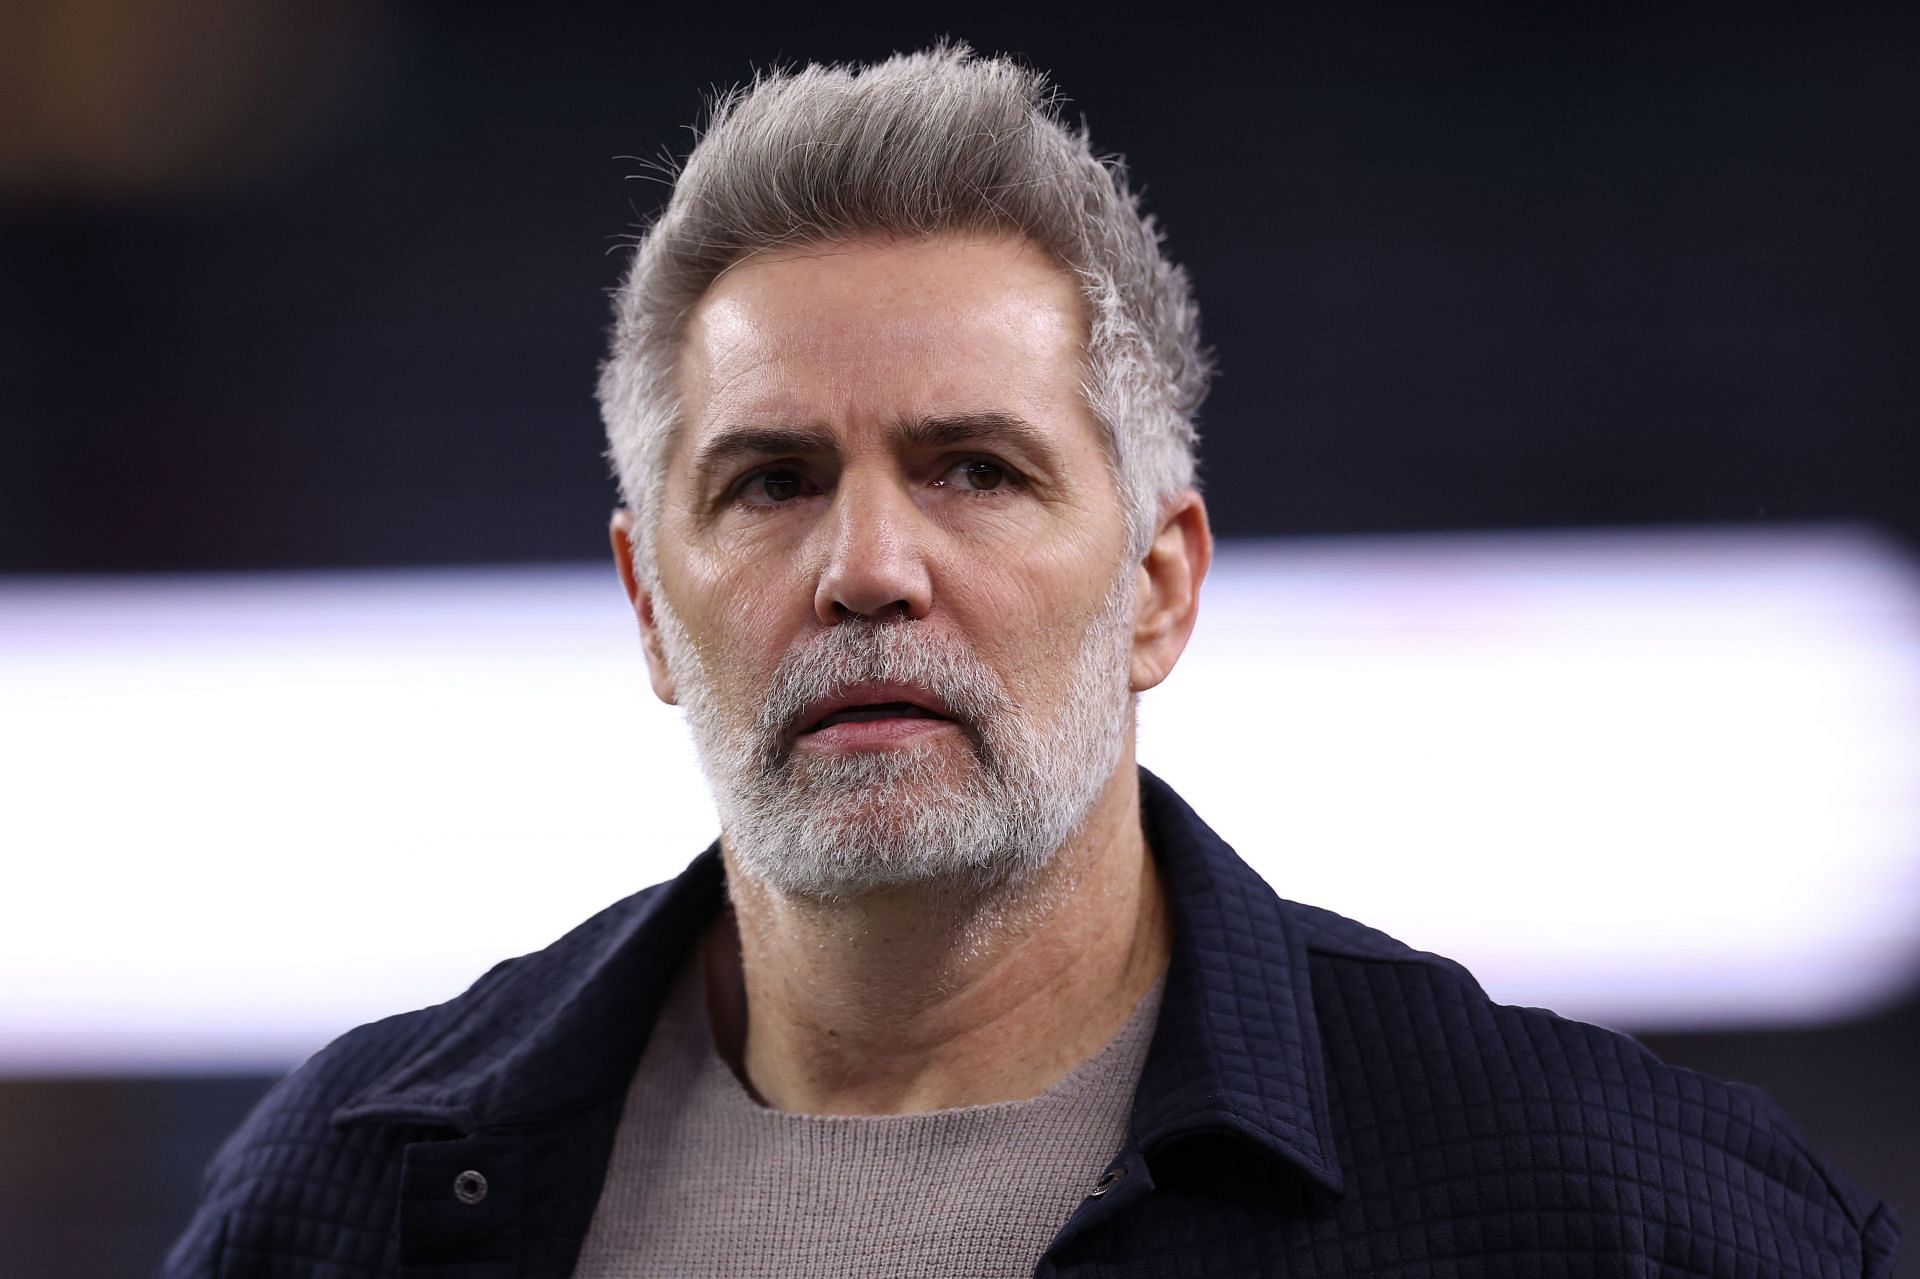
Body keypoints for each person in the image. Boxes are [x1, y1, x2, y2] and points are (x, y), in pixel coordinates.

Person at [164, 45, 1898, 1278]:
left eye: (972, 471)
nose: (864, 569)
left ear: (1158, 587)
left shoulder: (1596, 1213)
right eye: (769, 484)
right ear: (645, 608)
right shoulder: (350, 1200)